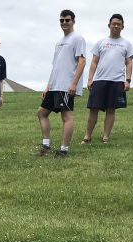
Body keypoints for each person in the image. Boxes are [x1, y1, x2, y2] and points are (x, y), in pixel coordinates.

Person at [34, 9, 86, 158]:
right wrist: (48, 86)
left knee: (66, 117)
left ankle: (63, 150)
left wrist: (74, 83)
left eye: (67, 20)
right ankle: (45, 147)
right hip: (55, 85)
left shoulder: (78, 39)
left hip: (66, 85)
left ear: (73, 21)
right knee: (42, 112)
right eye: (62, 20)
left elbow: (82, 61)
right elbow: (56, 65)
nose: (64, 23)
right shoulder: (59, 43)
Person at [81, 14, 133, 144]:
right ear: (109, 25)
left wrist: (128, 80)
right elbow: (94, 62)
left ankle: (105, 137)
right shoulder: (101, 42)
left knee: (111, 109)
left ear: (122, 27)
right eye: (114, 23)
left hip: (117, 81)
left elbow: (129, 63)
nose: (116, 26)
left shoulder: (127, 44)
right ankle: (87, 136)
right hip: (100, 80)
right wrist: (90, 79)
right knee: (94, 108)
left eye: (119, 24)